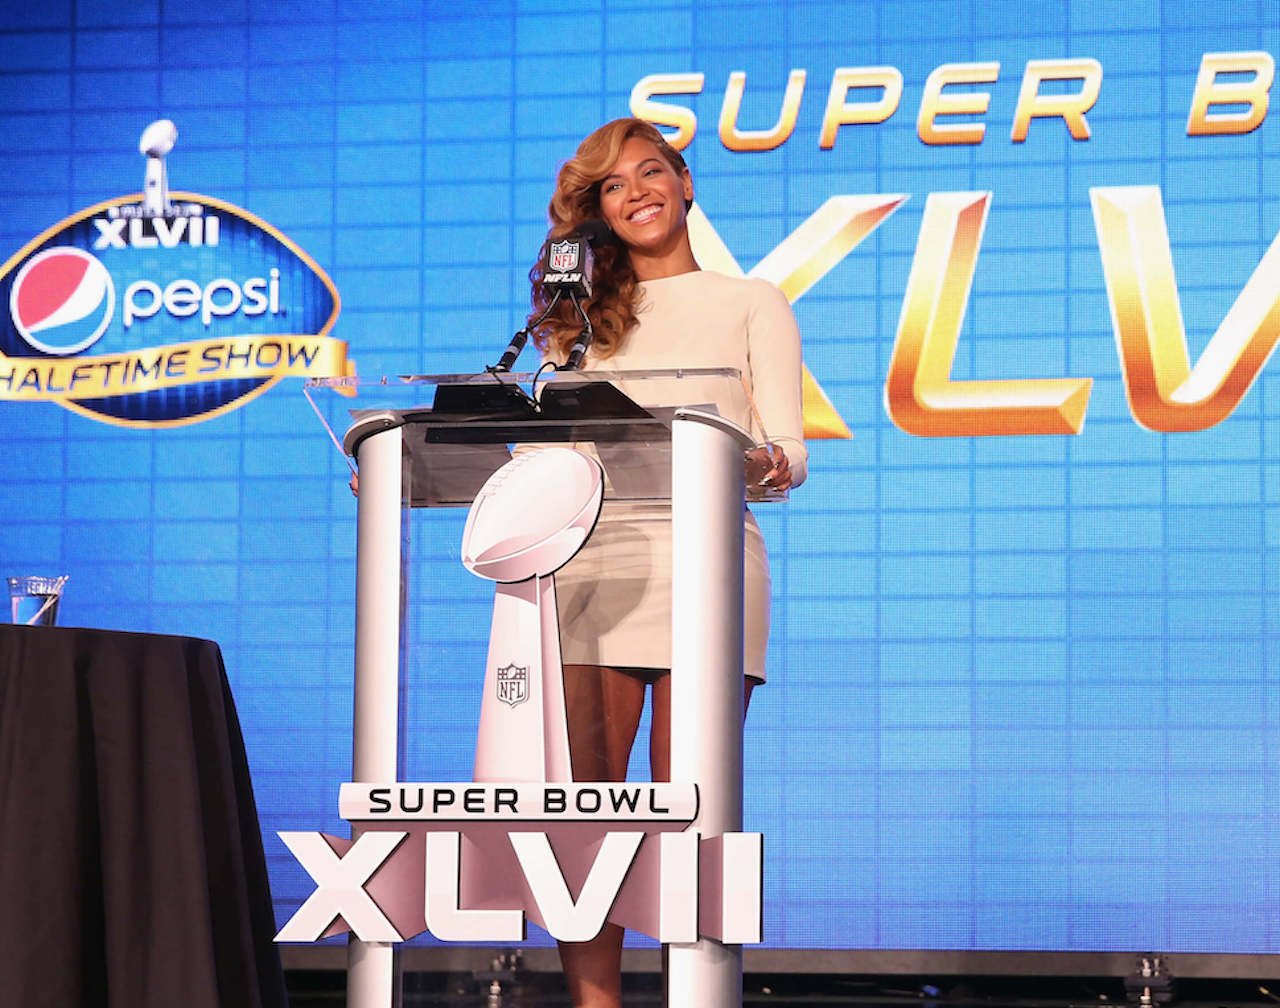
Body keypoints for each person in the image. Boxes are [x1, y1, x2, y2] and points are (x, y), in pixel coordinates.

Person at [527, 117, 807, 1008]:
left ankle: (696, 992)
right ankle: (595, 1002)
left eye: (652, 173)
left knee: (690, 805)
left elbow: (789, 450)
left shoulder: (751, 298)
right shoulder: (576, 319)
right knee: (589, 808)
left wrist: (765, 460)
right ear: (597, 211)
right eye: (613, 185)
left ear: (686, 185)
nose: (637, 192)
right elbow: (549, 452)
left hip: (712, 566)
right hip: (596, 566)